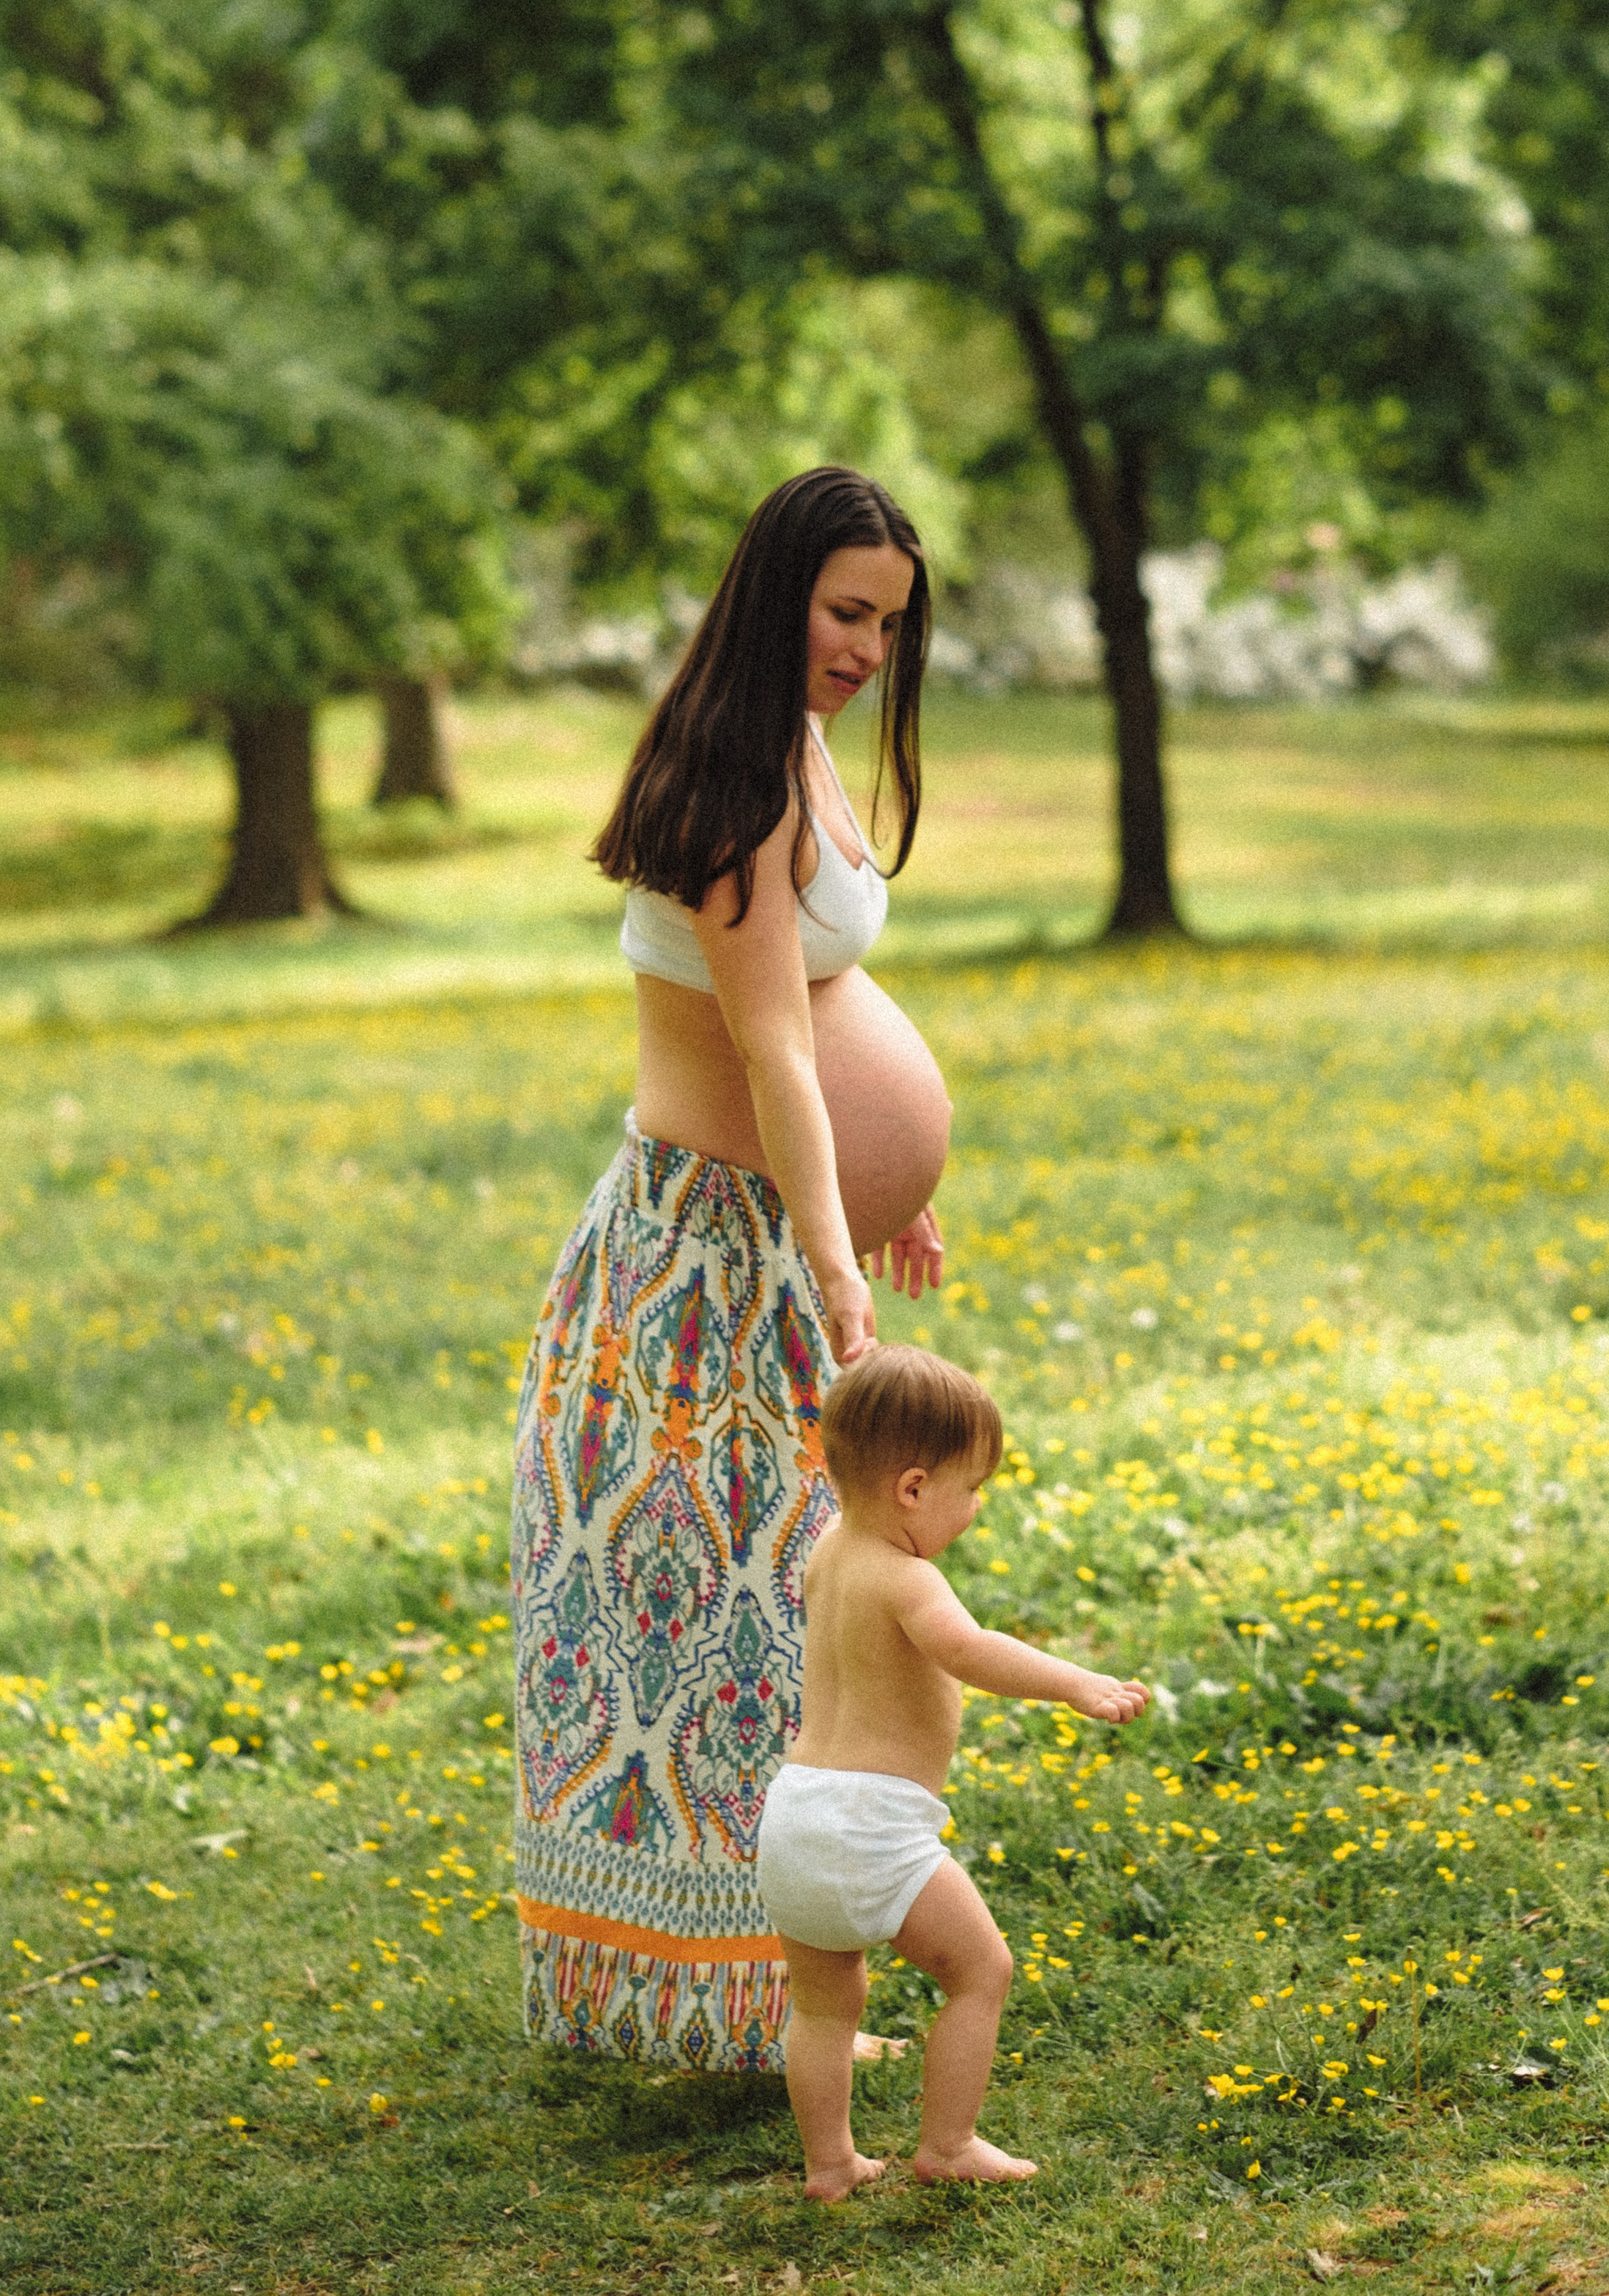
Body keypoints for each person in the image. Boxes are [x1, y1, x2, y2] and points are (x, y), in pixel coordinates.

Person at [511, 469, 953, 2072]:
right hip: (700, 1266)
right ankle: (707, 2002)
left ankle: (777, 1999)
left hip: (767, 1237)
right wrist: (836, 1264)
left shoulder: (805, 750)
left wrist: (895, 1180)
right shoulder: (729, 788)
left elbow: (825, 1006)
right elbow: (768, 1055)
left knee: (796, 1625)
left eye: (889, 624)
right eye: (847, 612)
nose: (867, 648)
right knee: (734, 1624)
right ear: (778, 595)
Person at [757, 1345, 1150, 2199]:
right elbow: (971, 1651)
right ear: (911, 1488)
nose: (973, 1508)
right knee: (981, 1972)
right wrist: (1077, 1685)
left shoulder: (828, 1549)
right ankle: (950, 2143)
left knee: (823, 2009)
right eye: (970, 1488)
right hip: (868, 1823)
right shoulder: (908, 1581)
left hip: (790, 1818)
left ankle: (830, 2164)